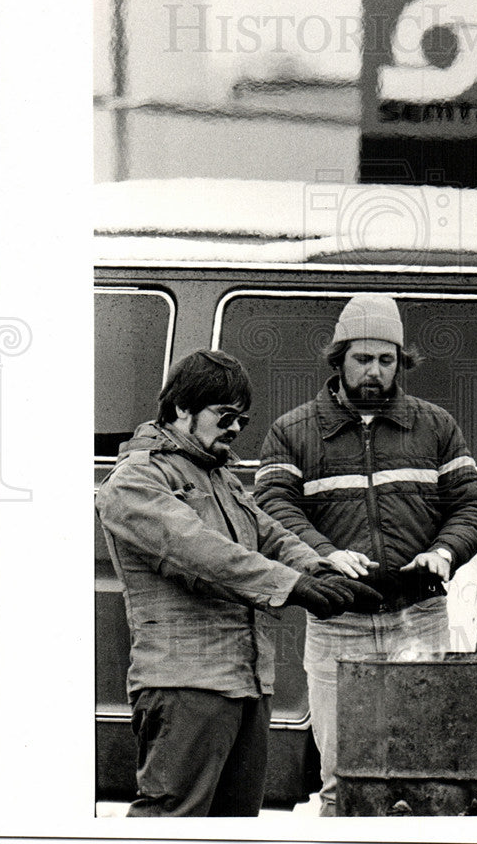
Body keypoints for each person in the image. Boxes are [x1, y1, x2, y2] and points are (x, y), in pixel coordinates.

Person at [95, 349, 381, 817]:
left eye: (242, 420)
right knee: (172, 820)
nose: (234, 429)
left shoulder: (220, 477)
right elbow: (203, 554)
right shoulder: (134, 482)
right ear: (181, 408)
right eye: (224, 415)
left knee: (236, 826)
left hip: (246, 685)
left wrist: (323, 570)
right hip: (185, 683)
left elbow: (270, 534)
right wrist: (294, 587)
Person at [254, 294, 477, 815]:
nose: (375, 371)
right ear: (338, 359)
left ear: (400, 364)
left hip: (420, 620)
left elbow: (472, 506)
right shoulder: (293, 432)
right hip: (339, 625)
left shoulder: (436, 426)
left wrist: (445, 552)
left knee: (425, 773)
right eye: (363, 358)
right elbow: (271, 511)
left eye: (387, 360)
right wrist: (323, 556)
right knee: (343, 779)